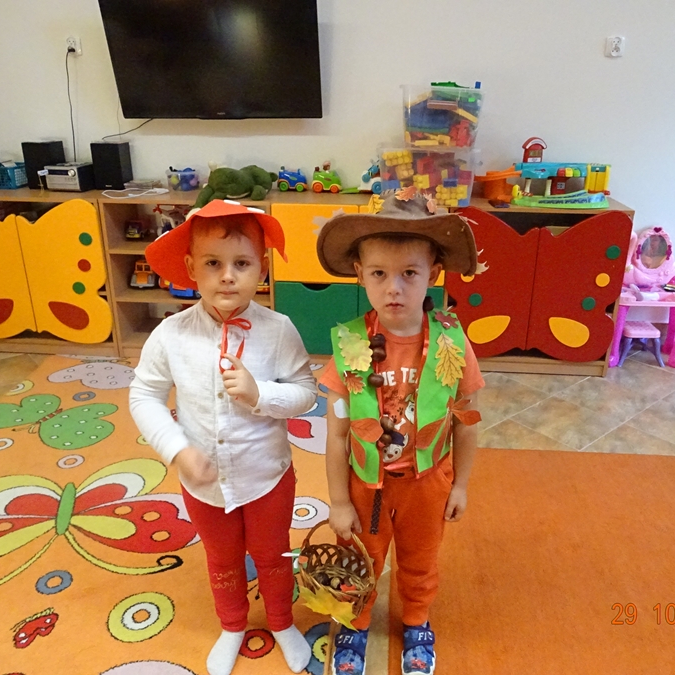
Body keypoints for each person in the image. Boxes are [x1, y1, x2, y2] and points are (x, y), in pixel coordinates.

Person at [129, 199, 317, 675]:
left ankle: (281, 621)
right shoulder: (171, 334)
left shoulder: (279, 330)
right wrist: (177, 450)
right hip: (204, 485)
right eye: (213, 263)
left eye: (242, 264)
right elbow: (144, 395)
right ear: (192, 268)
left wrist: (261, 393)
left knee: (273, 556)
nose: (228, 276)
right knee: (222, 558)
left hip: (268, 476)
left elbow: (306, 393)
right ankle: (232, 625)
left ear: (262, 269)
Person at [315, 190, 484, 675]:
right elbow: (337, 435)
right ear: (359, 274)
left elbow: (467, 421)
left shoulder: (453, 341)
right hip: (365, 486)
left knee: (420, 558)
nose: (394, 288)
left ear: (433, 274)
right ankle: (355, 622)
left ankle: (416, 620)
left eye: (409, 273)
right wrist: (338, 501)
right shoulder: (350, 344)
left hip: (427, 483)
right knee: (360, 558)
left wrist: (461, 484)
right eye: (379, 274)